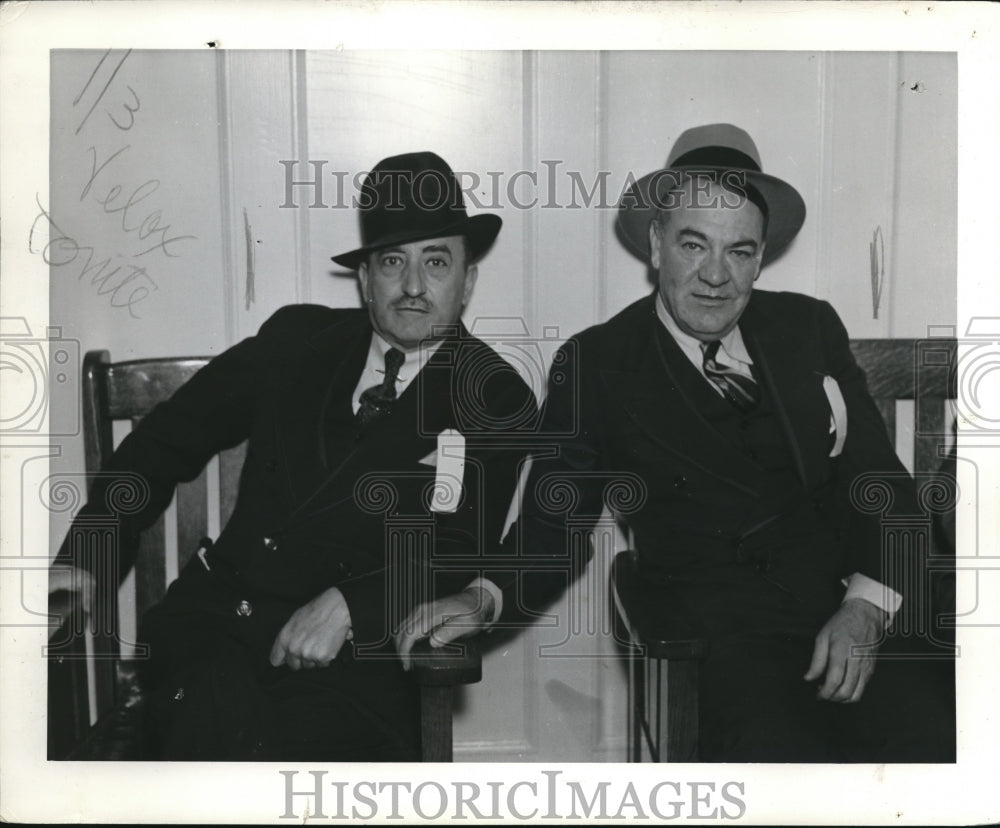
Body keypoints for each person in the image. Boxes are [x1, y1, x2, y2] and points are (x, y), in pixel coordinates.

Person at [51, 151, 537, 761]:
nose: (413, 286)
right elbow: (163, 441)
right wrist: (89, 555)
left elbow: (462, 548)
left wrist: (352, 606)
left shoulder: (494, 394)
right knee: (213, 717)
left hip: (354, 665)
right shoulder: (297, 342)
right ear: (365, 279)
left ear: (466, 281)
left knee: (263, 753)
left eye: (435, 262)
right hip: (219, 629)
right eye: (393, 261)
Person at [505, 123, 951, 762]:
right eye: (695, 245)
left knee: (934, 745)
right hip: (716, 643)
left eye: (740, 251)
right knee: (782, 763)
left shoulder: (807, 327)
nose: (716, 276)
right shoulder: (597, 362)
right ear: (657, 245)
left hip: (848, 610)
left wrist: (867, 609)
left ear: (761, 256)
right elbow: (552, 528)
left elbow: (883, 485)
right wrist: (484, 594)